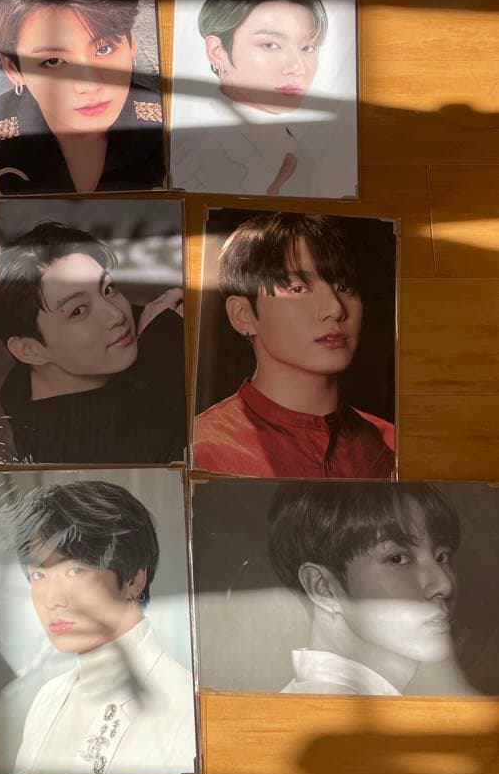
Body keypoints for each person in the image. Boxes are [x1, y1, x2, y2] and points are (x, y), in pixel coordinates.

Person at [7, 480, 196, 774]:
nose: (53, 599)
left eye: (75, 571)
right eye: (39, 575)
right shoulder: (48, 699)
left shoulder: (186, 706)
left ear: (134, 579)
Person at [193, 212, 395, 479]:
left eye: (345, 287)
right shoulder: (203, 449)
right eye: (298, 289)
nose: (335, 309)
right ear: (242, 315)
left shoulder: (391, 445)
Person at [0, 220, 185, 464]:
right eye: (78, 311)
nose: (116, 315)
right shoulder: (118, 446)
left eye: (108, 289)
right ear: (28, 350)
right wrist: (168, 361)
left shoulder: (30, 387)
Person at [0, 0, 165, 196]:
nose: (90, 85)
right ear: (14, 70)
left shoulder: (169, 123)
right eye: (54, 61)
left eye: (104, 49)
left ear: (131, 43)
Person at [171, 0, 353, 198]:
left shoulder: (307, 142)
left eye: (307, 48)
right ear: (217, 51)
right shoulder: (192, 161)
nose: (297, 67)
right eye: (270, 45)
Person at [268, 482, 459, 695]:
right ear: (322, 588)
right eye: (397, 559)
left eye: (442, 556)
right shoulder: (330, 710)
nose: (444, 584)